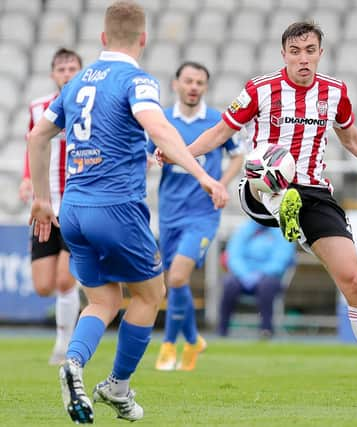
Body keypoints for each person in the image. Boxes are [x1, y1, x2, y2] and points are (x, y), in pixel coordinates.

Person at [159, 21, 357, 401]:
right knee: (271, 167)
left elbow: (353, 140)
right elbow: (219, 134)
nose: (303, 58)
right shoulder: (259, 90)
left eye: (309, 50)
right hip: (259, 189)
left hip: (315, 194)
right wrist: (180, 155)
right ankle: (284, 209)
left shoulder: (335, 92)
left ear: (320, 53)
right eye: (295, 51)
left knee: (355, 281)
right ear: (284, 54)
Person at [27, 1, 227, 424]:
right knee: (151, 294)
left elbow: (38, 135)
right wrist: (203, 176)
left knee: (102, 300)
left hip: (73, 210)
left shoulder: (77, 80)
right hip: (116, 208)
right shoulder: (137, 80)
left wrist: (43, 199)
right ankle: (118, 386)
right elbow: (158, 128)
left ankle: (74, 365)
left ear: (102, 39)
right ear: (144, 39)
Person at [149, 61, 244, 372]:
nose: (193, 87)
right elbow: (147, 154)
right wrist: (151, 161)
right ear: (176, 84)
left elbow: (238, 156)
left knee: (175, 277)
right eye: (188, 81)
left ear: (205, 87)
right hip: (169, 212)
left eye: (199, 82)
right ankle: (192, 340)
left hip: (203, 213)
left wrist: (220, 184)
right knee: (177, 281)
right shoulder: (162, 119)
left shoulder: (217, 120)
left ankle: (167, 346)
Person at [18, 48, 83, 366]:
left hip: (76, 205)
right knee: (43, 286)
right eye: (61, 68)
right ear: (52, 74)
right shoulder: (38, 107)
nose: (67, 73)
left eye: (73, 68)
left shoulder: (88, 106)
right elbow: (34, 146)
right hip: (45, 205)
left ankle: (64, 345)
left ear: (81, 72)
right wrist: (27, 179)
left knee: (63, 281)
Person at [218, 219, 296, 338]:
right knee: (229, 283)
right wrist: (244, 274)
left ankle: (266, 329)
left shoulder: (283, 230)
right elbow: (234, 255)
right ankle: (222, 330)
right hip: (244, 276)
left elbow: (282, 258)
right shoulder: (245, 229)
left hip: (270, 277)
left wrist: (262, 273)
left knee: (266, 285)